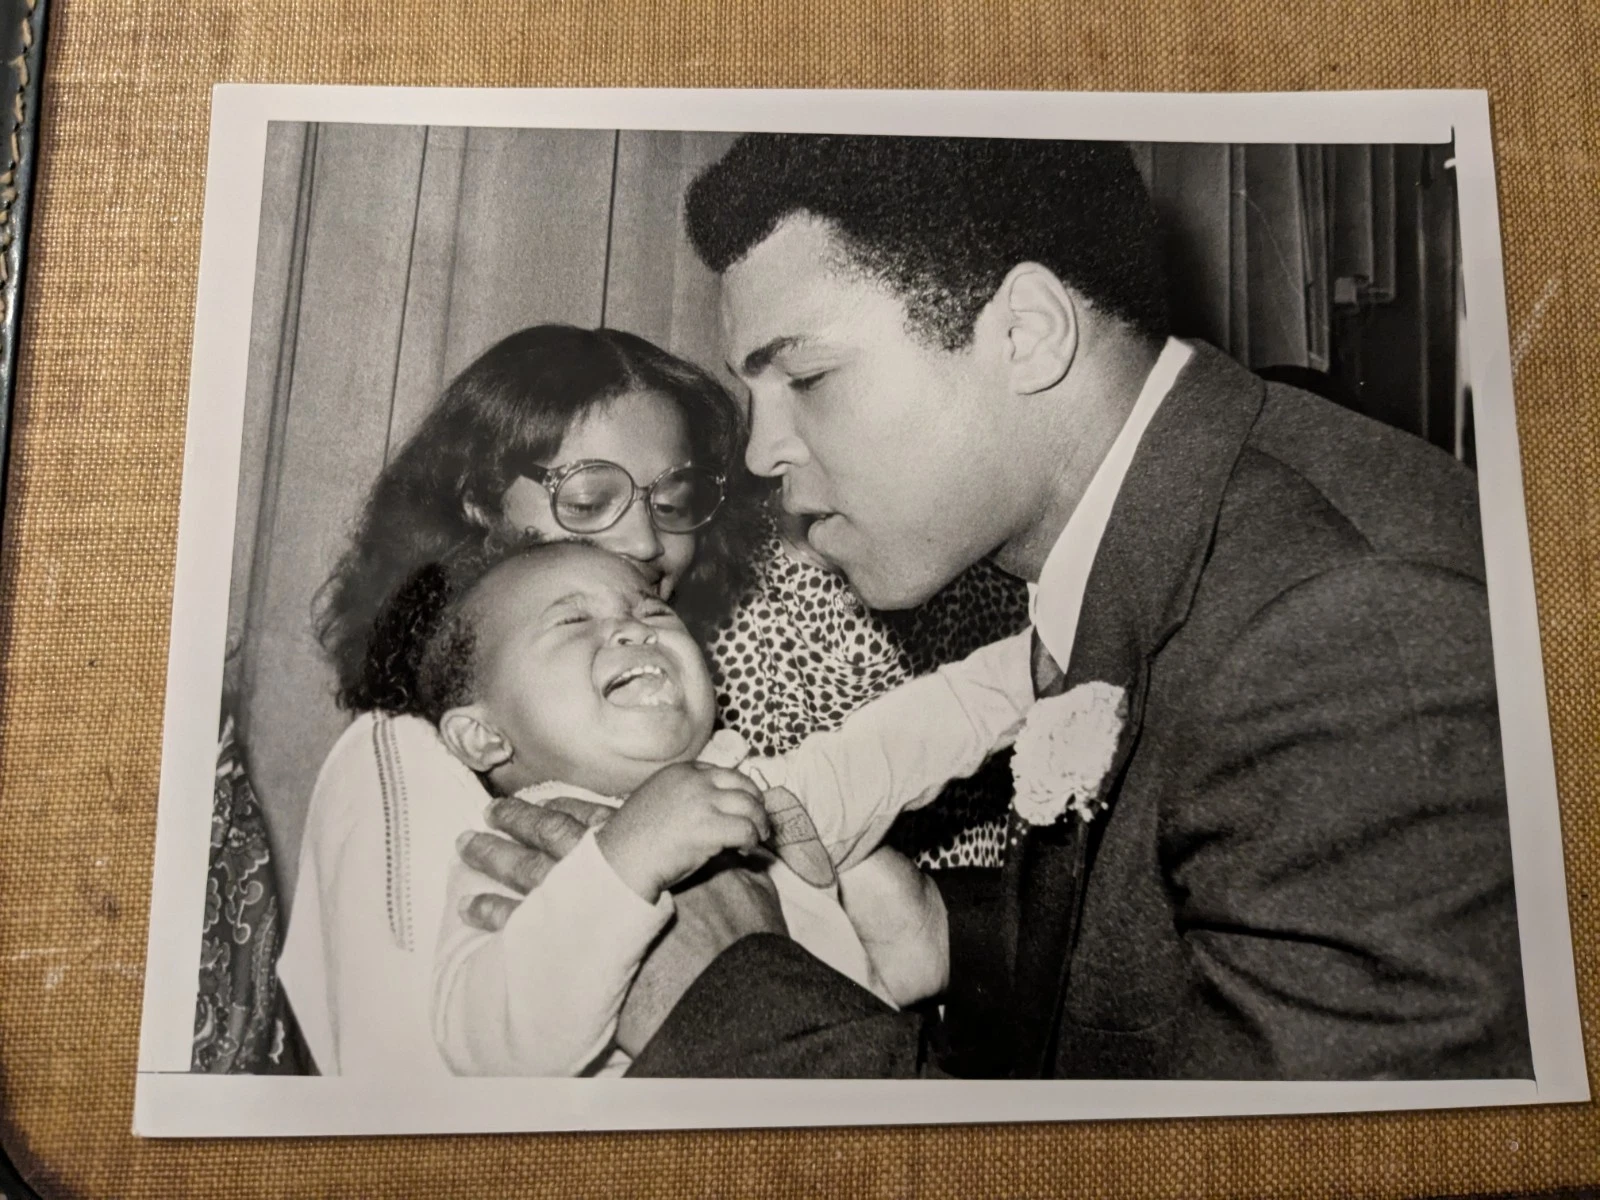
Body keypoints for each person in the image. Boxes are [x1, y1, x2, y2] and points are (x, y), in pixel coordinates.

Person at [461, 134, 1532, 1080]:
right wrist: (951, 938)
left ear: (1025, 333)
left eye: (808, 378)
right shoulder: (1163, 533)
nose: (759, 451)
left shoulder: (1348, 625)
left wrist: (738, 997)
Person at [277, 322, 1026, 1076]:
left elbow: (878, 755)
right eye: (592, 497)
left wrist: (1030, 674)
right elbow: (420, 1103)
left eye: (673, 502)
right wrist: (627, 874)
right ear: (478, 506)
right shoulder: (406, 754)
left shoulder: (692, 737)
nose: (643, 542)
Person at [361, 537, 1031, 1075]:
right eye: (571, 620)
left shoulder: (750, 784)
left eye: (653, 612)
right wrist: (622, 862)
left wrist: (1024, 672)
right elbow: (490, 1048)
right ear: (482, 735)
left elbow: (892, 746)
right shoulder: (512, 854)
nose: (634, 629)